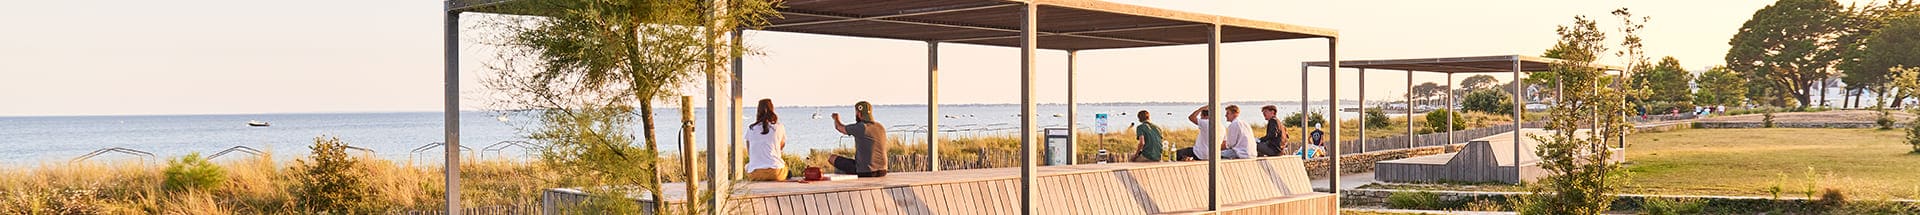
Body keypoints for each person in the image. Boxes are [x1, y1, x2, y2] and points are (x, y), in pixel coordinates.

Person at [831, 101, 889, 177]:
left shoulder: (861, 127)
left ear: (859, 114)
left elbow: (839, 127)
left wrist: (836, 118)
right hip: (883, 171)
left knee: (832, 158)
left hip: (865, 171)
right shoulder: (880, 127)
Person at [744, 99, 788, 181]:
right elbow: (781, 146)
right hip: (775, 173)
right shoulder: (779, 127)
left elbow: (749, 151)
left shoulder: (751, 128)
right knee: (784, 166)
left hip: (755, 174)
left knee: (747, 166)